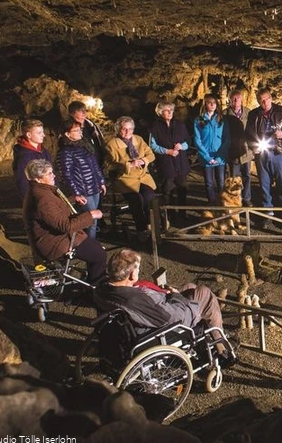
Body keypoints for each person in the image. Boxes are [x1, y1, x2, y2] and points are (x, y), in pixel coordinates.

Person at [94, 248, 224, 333]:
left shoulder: (103, 287)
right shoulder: (133, 300)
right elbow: (171, 317)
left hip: (149, 309)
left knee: (190, 287)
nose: (139, 272)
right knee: (205, 293)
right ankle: (222, 348)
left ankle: (215, 333)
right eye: (138, 269)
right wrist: (176, 297)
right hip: (169, 324)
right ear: (132, 274)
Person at [23, 159, 106, 283]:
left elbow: (54, 209)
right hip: (54, 243)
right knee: (99, 254)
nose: (54, 175)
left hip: (55, 238)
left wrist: (72, 199)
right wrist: (91, 214)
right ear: (38, 179)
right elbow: (65, 226)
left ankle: (93, 280)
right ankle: (95, 287)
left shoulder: (41, 191)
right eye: (49, 173)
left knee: (95, 248)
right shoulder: (42, 198)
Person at [245, 88, 282, 223]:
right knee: (264, 184)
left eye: (266, 98)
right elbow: (248, 134)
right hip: (261, 153)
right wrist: (253, 147)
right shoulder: (253, 114)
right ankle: (267, 212)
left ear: (271, 98)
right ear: (258, 101)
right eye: (261, 100)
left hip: (278, 153)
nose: (265, 102)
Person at [106, 116, 157, 242]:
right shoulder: (112, 144)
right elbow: (108, 165)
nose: (128, 132)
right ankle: (141, 229)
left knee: (149, 197)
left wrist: (143, 160)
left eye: (130, 129)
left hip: (143, 177)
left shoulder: (138, 139)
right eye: (124, 129)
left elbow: (150, 155)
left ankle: (151, 224)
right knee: (136, 200)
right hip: (125, 179)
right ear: (118, 130)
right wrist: (127, 164)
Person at [56, 119, 106, 239]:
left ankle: (88, 242)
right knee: (90, 219)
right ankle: (90, 245)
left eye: (80, 130)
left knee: (94, 218)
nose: (80, 132)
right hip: (83, 191)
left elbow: (95, 166)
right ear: (67, 134)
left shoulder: (85, 146)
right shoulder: (65, 152)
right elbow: (67, 174)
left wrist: (101, 181)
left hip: (94, 187)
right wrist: (76, 193)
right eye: (76, 130)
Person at [149, 101, 191, 225]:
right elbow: (153, 145)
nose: (170, 113)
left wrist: (181, 146)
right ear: (160, 112)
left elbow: (188, 140)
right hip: (166, 162)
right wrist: (167, 151)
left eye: (171, 110)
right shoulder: (155, 127)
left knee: (182, 188)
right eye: (167, 110)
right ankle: (169, 215)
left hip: (180, 161)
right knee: (168, 190)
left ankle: (183, 213)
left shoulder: (179, 125)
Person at [193, 93, 229, 206]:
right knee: (209, 183)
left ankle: (222, 203)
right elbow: (197, 140)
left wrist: (219, 156)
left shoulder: (221, 120)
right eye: (209, 103)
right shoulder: (199, 120)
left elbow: (226, 139)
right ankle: (212, 204)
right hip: (206, 157)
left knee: (221, 182)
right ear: (205, 104)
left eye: (214, 103)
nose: (212, 105)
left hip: (220, 157)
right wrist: (207, 157)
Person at [224, 89, 253, 207]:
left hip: (246, 150)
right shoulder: (225, 114)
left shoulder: (248, 113)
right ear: (230, 100)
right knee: (234, 177)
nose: (236, 101)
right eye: (233, 99)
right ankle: (234, 198)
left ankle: (246, 198)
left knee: (246, 175)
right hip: (233, 150)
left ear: (242, 99)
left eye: (238, 98)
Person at [13, 119, 52, 202]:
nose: (43, 135)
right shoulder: (23, 157)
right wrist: (31, 201)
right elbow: (22, 182)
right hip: (37, 198)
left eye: (42, 132)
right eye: (39, 133)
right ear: (29, 135)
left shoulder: (44, 151)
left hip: (48, 194)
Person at [67, 100, 106, 166]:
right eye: (80, 111)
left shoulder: (90, 124)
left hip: (98, 162)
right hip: (85, 166)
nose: (84, 113)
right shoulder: (69, 128)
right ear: (72, 113)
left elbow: (100, 141)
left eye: (85, 110)